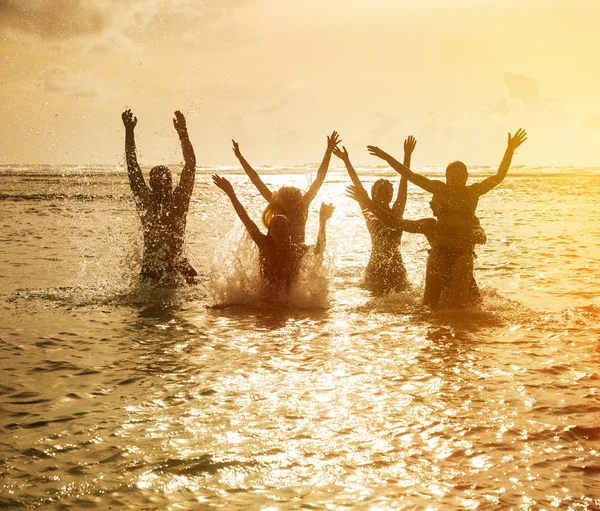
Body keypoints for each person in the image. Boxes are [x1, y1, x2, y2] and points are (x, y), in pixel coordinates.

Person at [365, 129, 527, 307]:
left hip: (463, 250)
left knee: (459, 295)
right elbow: (409, 175)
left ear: (466, 178)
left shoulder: (472, 192)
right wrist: (386, 156)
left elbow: (498, 177)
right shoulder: (440, 190)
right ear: (446, 177)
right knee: (430, 304)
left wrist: (509, 150)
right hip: (440, 249)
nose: (455, 180)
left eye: (460, 176)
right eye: (452, 176)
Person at [346, 184, 486, 308]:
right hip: (441, 283)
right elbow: (393, 222)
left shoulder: (467, 222)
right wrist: (367, 202)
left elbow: (479, 232)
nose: (430, 203)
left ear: (444, 203)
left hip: (462, 281)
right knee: (439, 312)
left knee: (464, 310)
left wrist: (478, 233)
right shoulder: (430, 225)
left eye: (434, 200)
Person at [212, 174, 334, 297]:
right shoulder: (264, 244)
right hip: (265, 300)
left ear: (289, 231)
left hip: (287, 303)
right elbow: (246, 219)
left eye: (282, 227)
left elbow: (320, 248)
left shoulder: (297, 250)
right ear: (270, 230)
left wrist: (323, 221)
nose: (278, 230)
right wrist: (231, 194)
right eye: (275, 227)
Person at [122, 109, 198, 285]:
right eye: (158, 181)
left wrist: (183, 134)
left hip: (176, 269)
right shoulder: (150, 201)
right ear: (151, 185)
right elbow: (132, 166)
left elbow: (191, 165)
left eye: (165, 181)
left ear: (170, 184)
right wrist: (129, 132)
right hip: (152, 270)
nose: (162, 185)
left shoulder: (177, 201)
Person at [334, 136, 417, 295]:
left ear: (392, 196)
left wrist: (407, 156)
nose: (384, 193)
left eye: (388, 191)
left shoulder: (396, 212)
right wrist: (346, 161)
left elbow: (404, 182)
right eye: (380, 191)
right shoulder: (368, 210)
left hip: (396, 267)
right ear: (373, 195)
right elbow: (357, 183)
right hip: (374, 268)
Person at [231, 131, 340, 244]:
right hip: (275, 252)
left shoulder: (301, 205)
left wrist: (328, 152)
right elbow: (256, 180)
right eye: (288, 204)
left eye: (293, 203)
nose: (291, 207)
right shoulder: (281, 204)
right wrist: (240, 157)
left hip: (297, 255)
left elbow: (320, 178)